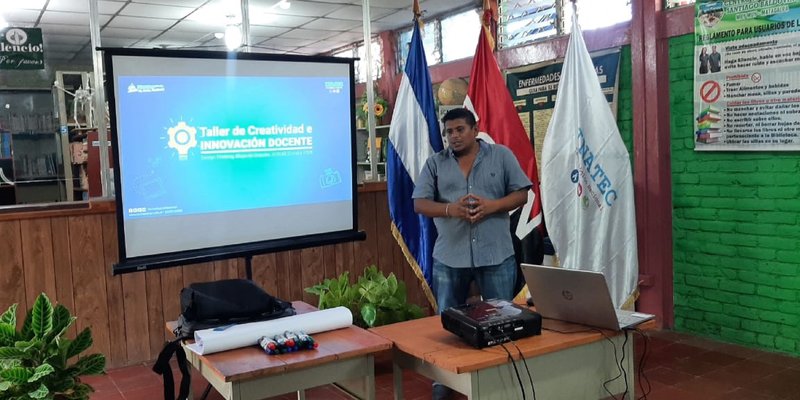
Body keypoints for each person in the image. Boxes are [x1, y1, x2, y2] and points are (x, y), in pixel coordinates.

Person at [412, 107, 531, 399]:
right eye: (448, 132)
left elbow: (522, 193)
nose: (453, 136)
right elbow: (419, 203)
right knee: (448, 322)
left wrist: (491, 206)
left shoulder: (501, 156)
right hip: (450, 257)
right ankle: (445, 380)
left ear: (474, 129)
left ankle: (500, 378)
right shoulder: (435, 164)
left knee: (501, 321)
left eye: (459, 130)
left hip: (496, 254)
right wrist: (452, 209)